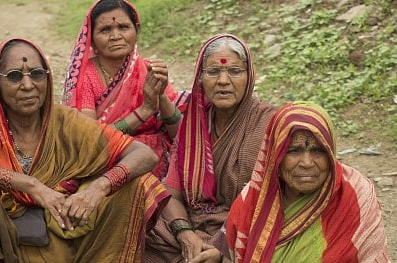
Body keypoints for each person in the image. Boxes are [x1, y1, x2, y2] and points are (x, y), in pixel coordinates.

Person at [0, 38, 171, 262]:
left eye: (37, 74)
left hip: (59, 241)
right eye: (14, 76)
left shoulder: (66, 122)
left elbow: (143, 154)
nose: (28, 85)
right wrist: (30, 185)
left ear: (47, 78)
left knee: (135, 183)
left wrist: (99, 188)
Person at [145, 33, 276, 263]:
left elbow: (270, 201)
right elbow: (171, 194)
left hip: (242, 231)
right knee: (136, 230)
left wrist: (222, 246)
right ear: (200, 79)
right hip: (193, 228)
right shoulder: (194, 125)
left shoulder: (267, 124)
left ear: (249, 77)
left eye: (235, 71)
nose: (223, 80)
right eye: (213, 72)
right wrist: (185, 234)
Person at [224, 101, 389, 262]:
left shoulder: (357, 198)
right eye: (294, 151)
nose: (307, 163)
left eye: (318, 151)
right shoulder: (253, 201)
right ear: (276, 156)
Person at [62, 0, 188, 179]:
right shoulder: (83, 77)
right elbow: (91, 141)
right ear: (91, 38)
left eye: (123, 27)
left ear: (137, 30)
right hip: (112, 159)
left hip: (159, 156)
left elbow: (179, 135)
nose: (116, 36)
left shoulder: (147, 69)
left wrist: (160, 95)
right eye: (105, 30)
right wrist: (143, 112)